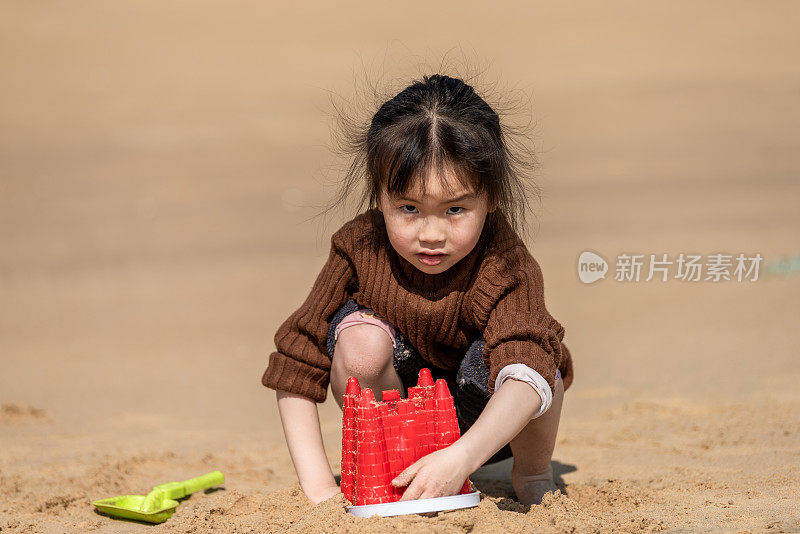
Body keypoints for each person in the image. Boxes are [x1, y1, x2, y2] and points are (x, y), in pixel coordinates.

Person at [261, 73, 574, 508]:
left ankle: (534, 474)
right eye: (408, 208)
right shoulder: (359, 247)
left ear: (492, 198)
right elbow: (298, 361)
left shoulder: (507, 265)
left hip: (488, 427)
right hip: (398, 417)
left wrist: (462, 456)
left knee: (542, 368)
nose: (431, 233)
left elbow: (527, 375)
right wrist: (319, 490)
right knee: (361, 344)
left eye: (455, 209)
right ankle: (395, 474)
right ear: (380, 197)